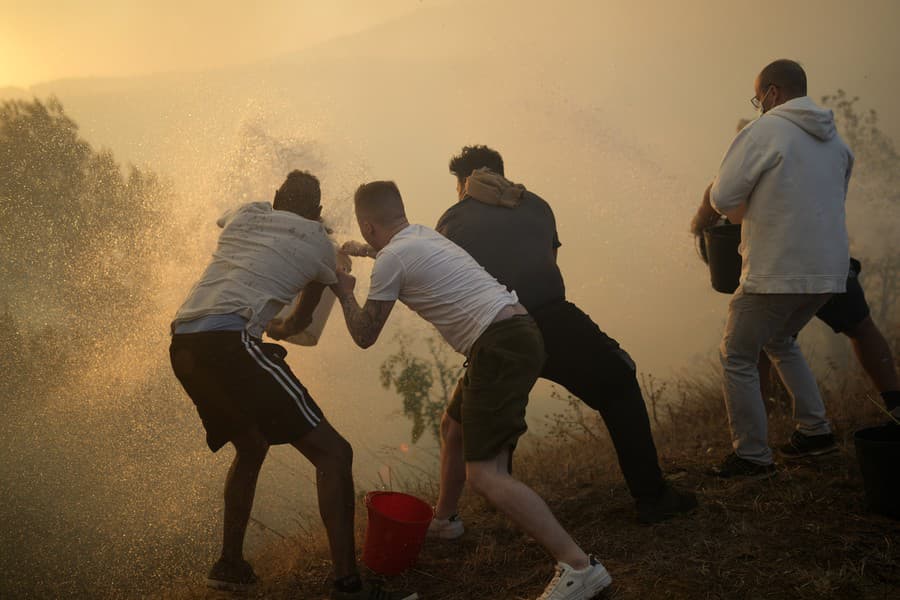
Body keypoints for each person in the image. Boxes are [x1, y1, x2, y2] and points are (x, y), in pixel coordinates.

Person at [334, 180, 611, 600]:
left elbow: (365, 333)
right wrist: (367, 251)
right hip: (513, 334)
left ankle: (578, 566)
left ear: (369, 226)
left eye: (368, 235)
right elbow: (398, 257)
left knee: (485, 475)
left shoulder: (393, 258)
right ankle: (445, 521)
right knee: (454, 427)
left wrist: (343, 292)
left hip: (500, 345)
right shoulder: (420, 236)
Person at [168, 171, 416, 600]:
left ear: (275, 197)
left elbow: (236, 224)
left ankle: (230, 565)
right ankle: (347, 584)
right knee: (335, 453)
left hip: (185, 340)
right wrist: (280, 326)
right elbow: (301, 322)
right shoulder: (320, 244)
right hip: (231, 341)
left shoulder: (247, 214)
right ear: (318, 213)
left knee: (250, 444)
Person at [429, 145, 696, 525]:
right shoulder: (536, 204)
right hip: (554, 319)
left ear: (464, 183)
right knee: (618, 382)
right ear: (502, 172)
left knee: (470, 420)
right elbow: (546, 263)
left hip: (497, 333)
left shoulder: (452, 221)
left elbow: (453, 287)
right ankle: (653, 497)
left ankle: (475, 509)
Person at [695, 59, 853, 478]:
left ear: (773, 92)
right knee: (781, 339)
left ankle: (751, 455)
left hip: (777, 267)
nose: (760, 104)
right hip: (829, 270)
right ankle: (815, 433)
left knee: (737, 354)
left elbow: (724, 197)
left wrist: (741, 211)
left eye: (759, 96)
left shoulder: (763, 130)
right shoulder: (836, 142)